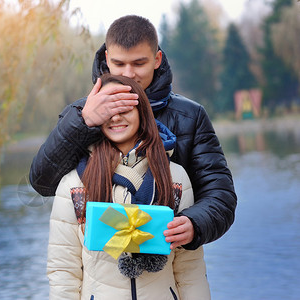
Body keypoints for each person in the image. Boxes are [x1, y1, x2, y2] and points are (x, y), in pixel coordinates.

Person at [30, 15, 236, 250]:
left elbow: (220, 195)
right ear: (107, 59)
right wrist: (84, 122)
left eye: (139, 64)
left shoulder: (191, 116)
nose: (128, 74)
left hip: (169, 268)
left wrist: (195, 223)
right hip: (101, 273)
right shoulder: (80, 113)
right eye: (119, 64)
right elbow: (42, 183)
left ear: (157, 59)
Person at [47, 74, 211, 299]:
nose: (115, 117)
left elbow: (189, 268)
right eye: (107, 110)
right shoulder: (75, 184)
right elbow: (63, 270)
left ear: (141, 112)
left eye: (124, 108)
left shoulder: (175, 177)